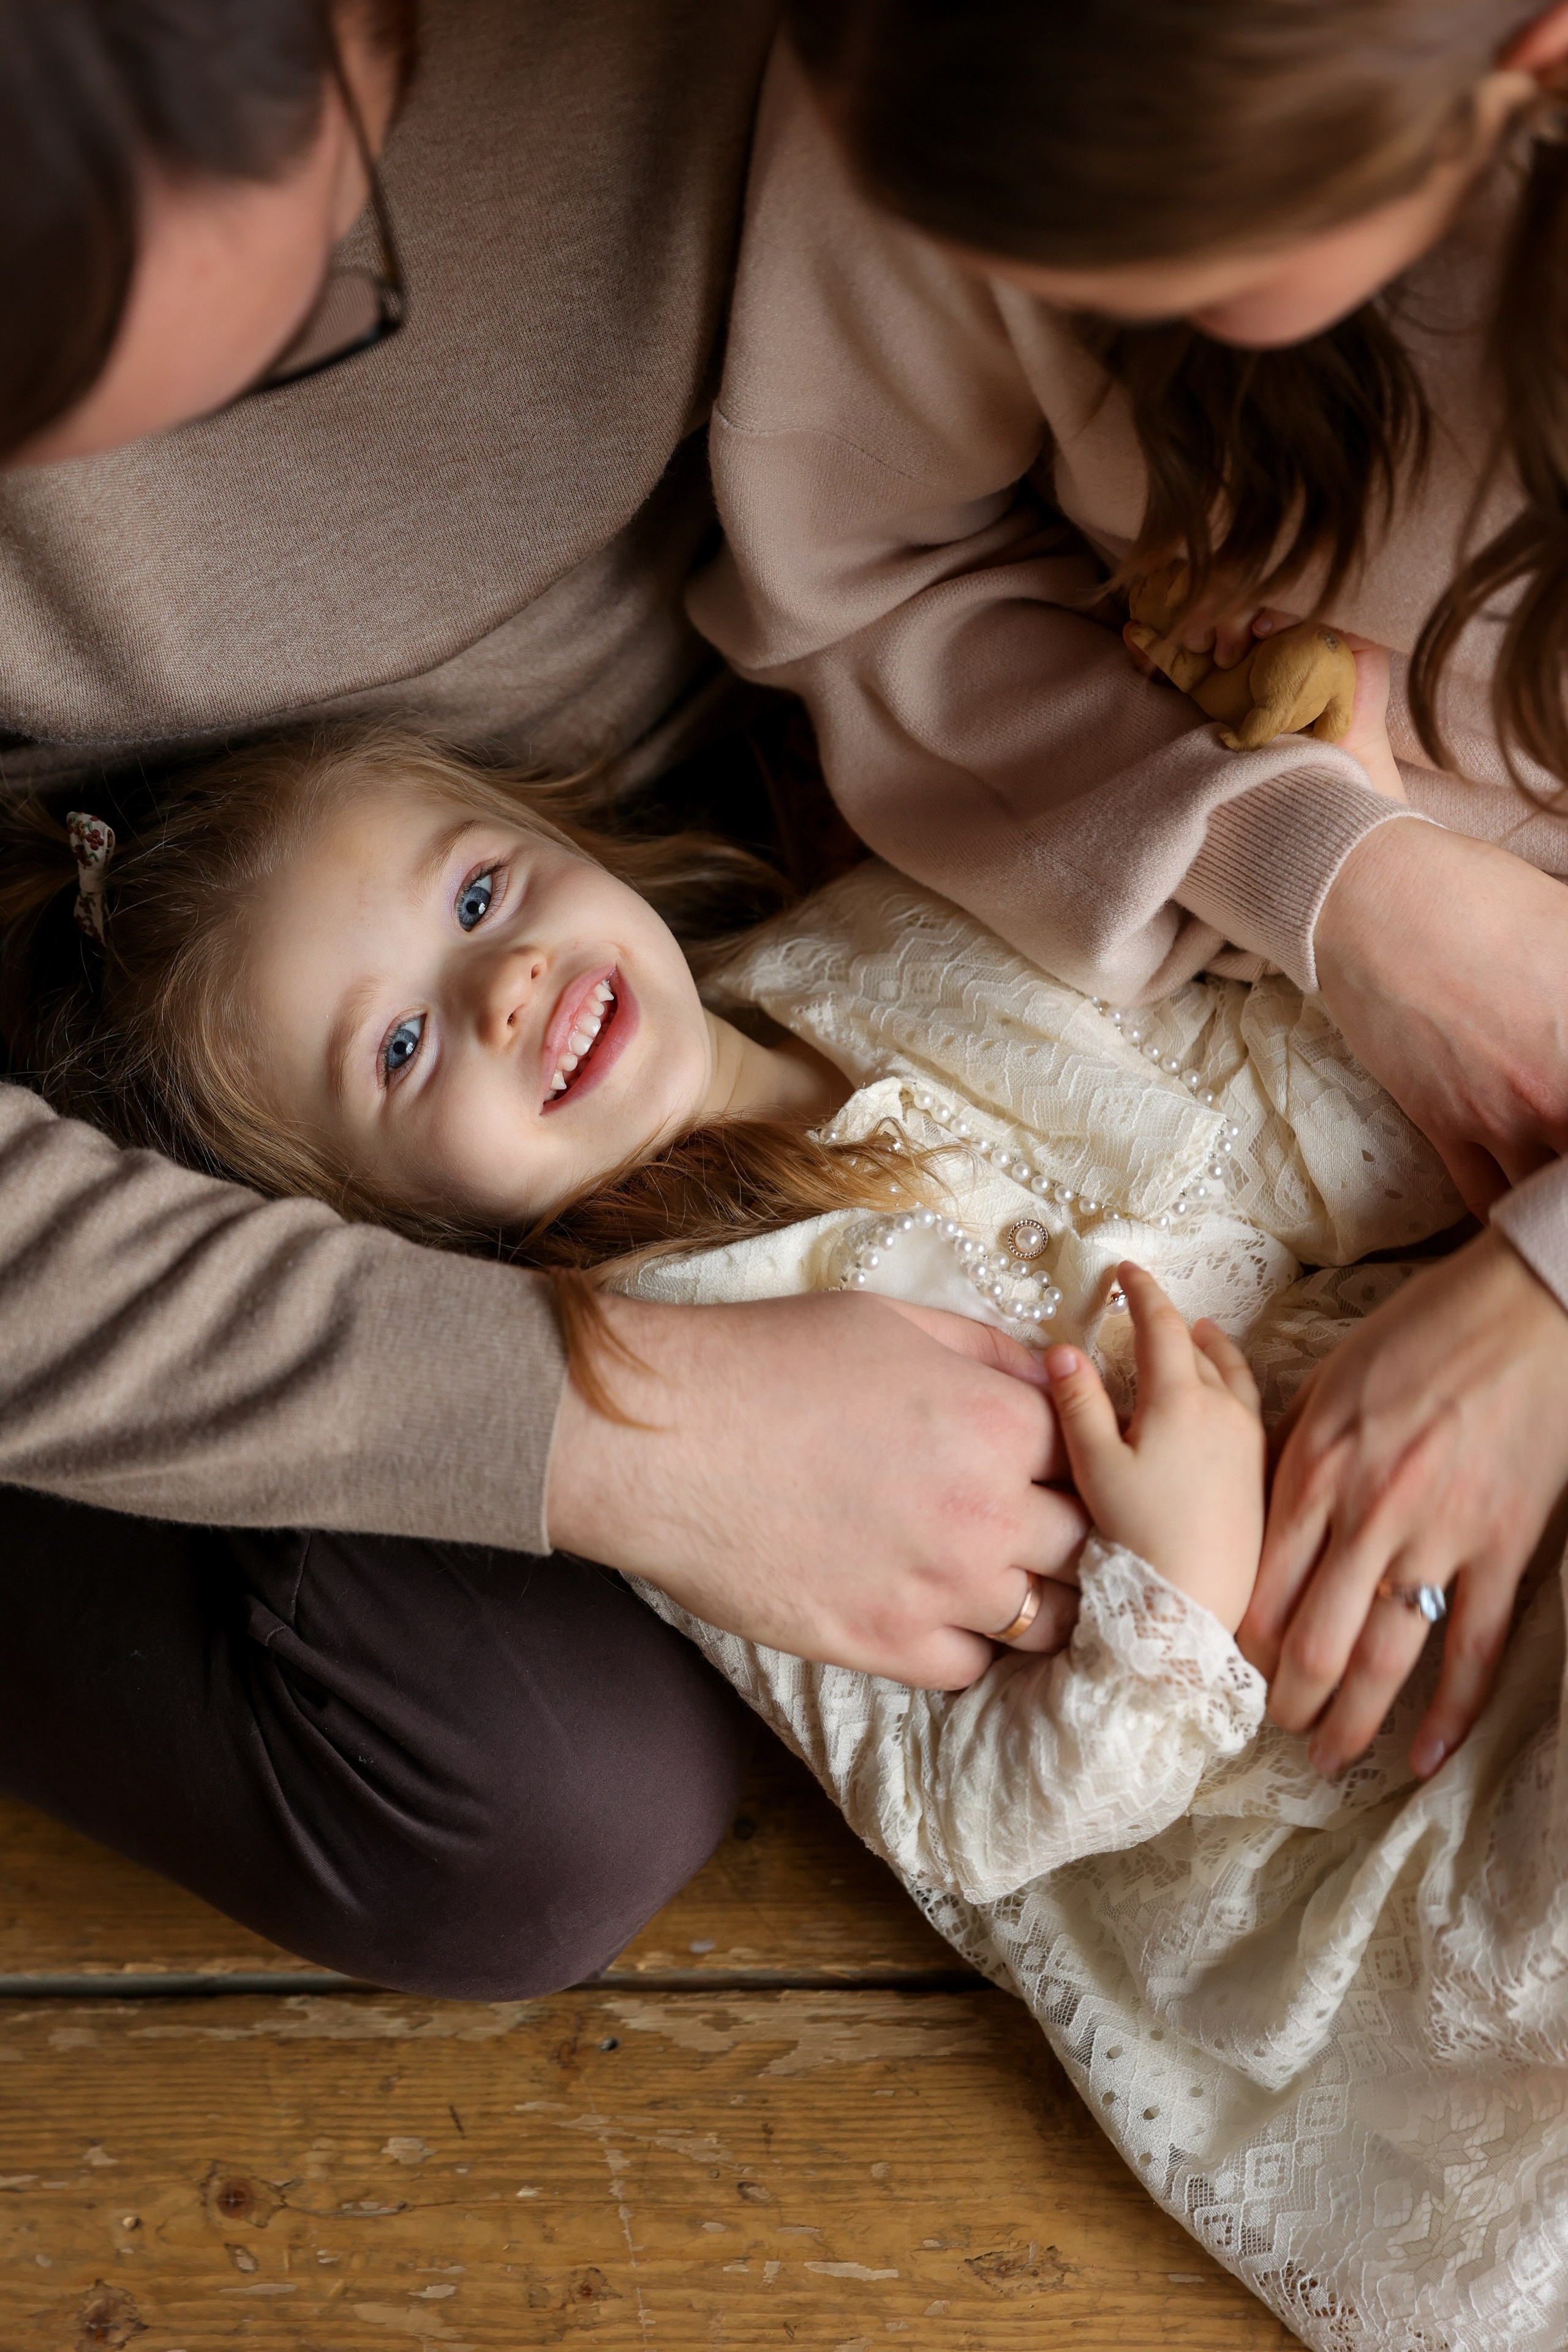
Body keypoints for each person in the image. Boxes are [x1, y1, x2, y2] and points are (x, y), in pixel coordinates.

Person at [13, 713, 1556, 2350]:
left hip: (1428, 1450)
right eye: (399, 1048)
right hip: (1299, 1797)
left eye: (474, 898)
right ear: (387, 1229)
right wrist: (1175, 1588)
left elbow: (1248, 1122)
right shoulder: (691, 1396)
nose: (502, 987)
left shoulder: (875, 949)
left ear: (548, 829)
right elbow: (976, 1818)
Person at [0, 0, 1091, 1995]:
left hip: (742, 720)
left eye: (324, 287)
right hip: (129, 1031)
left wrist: (1339, 884)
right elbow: (1038, 1789)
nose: (505, 987)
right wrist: (593, 1430)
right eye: (414, 1038)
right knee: (541, 1796)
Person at [689, 0, 1568, 1785]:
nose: (1053, 299)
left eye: (1180, 269)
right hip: (1139, 920)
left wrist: (1551, 1293)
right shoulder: (932, 58)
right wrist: (1333, 872)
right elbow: (864, 580)